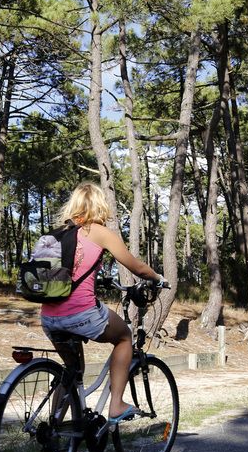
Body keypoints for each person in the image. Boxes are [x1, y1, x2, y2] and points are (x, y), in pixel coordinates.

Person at [40, 181, 163, 423]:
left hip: (49, 317)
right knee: (125, 337)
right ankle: (116, 405)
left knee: (73, 371)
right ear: (99, 206)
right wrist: (157, 278)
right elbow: (135, 266)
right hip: (81, 314)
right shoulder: (99, 232)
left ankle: (53, 432)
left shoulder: (57, 234)